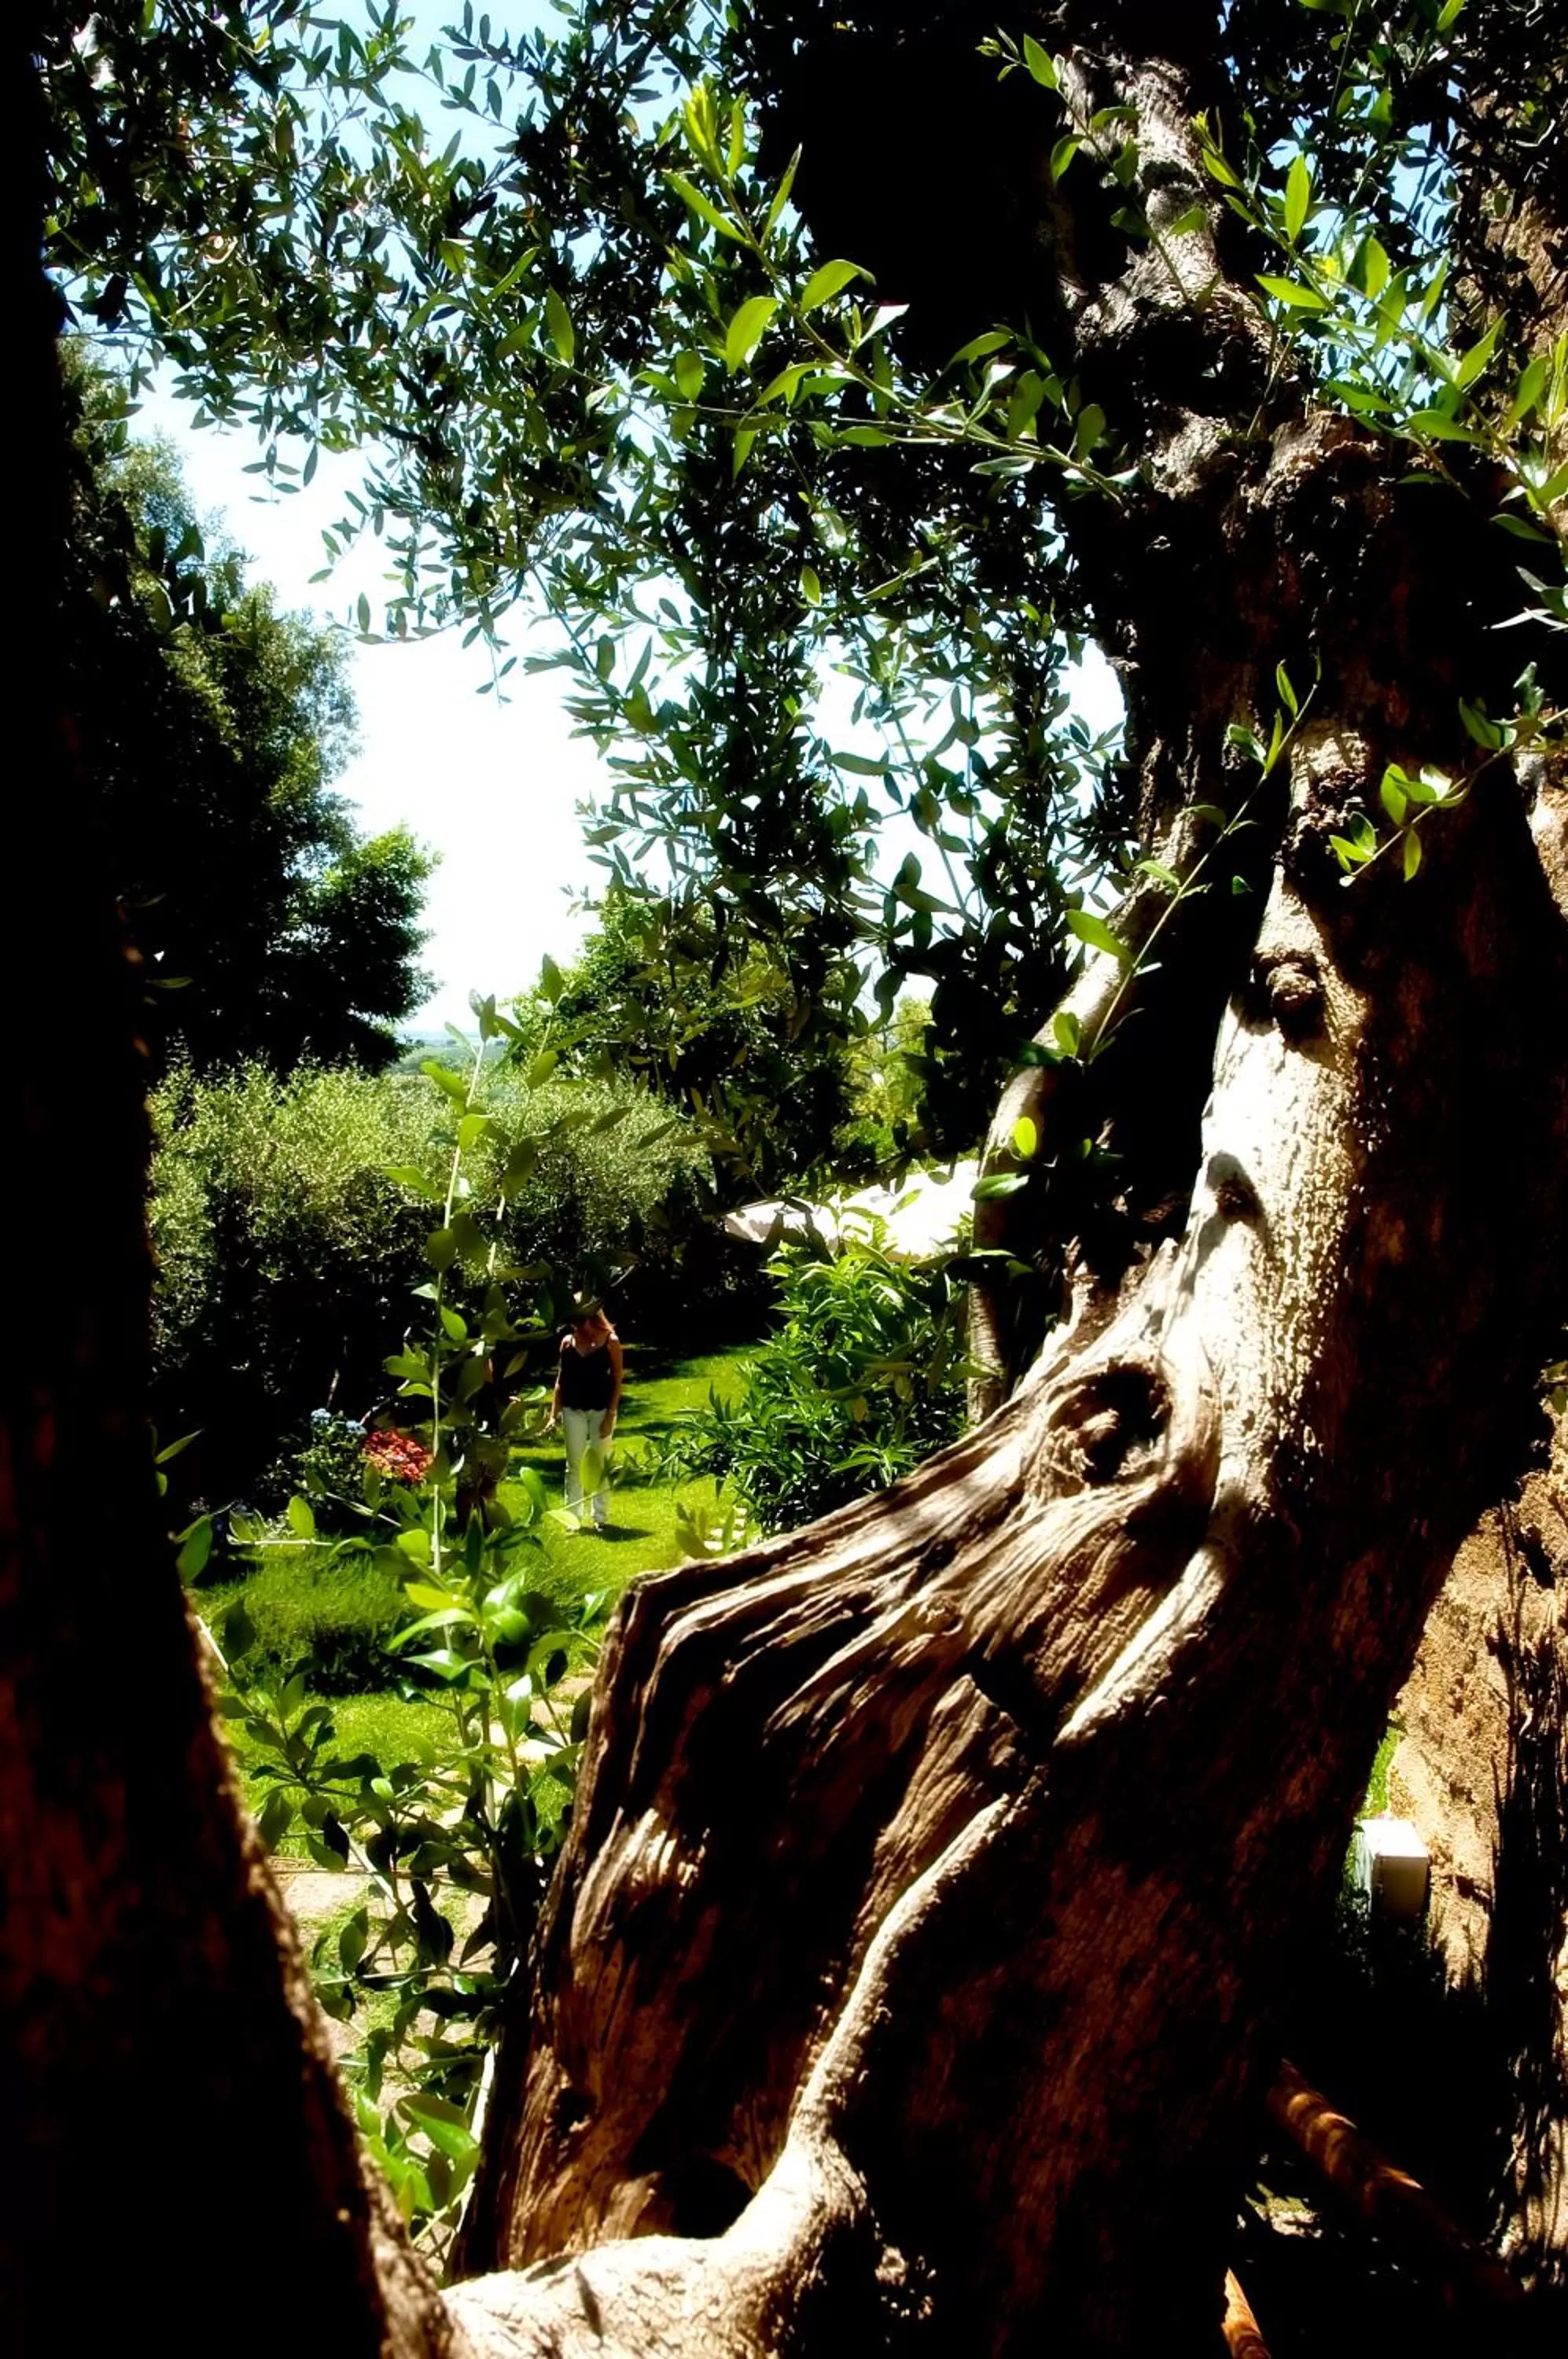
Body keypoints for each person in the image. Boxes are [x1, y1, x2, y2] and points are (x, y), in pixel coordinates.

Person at [547, 1302, 624, 1531]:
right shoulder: (568, 1343)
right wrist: (554, 1415)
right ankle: (572, 1518)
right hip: (573, 1410)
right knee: (574, 1465)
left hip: (601, 1409)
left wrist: (611, 1414)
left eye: (577, 1319)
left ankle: (600, 1517)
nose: (574, 1325)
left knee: (600, 1462)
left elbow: (618, 1379)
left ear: (590, 1317)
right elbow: (560, 1381)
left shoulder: (611, 1342)